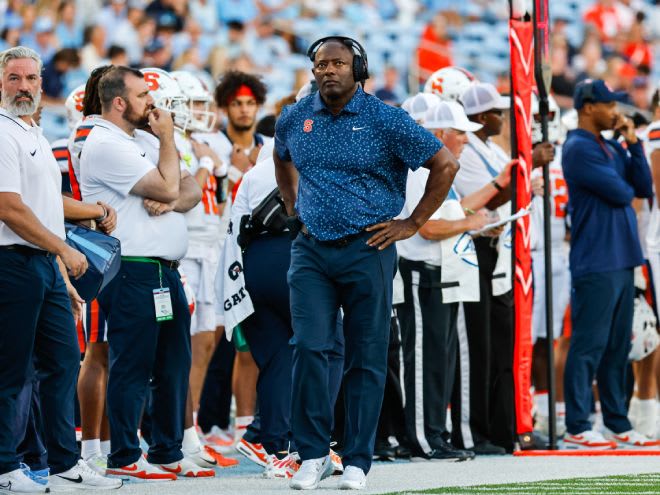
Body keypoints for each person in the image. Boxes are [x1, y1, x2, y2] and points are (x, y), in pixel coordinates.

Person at [274, 36, 458, 490]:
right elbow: (281, 157)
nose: (328, 70)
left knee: (366, 355)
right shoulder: (295, 116)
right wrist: (291, 203)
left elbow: (445, 163)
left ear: (359, 68)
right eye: (320, 64)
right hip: (311, 249)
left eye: (338, 63)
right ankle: (313, 454)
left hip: (369, 248)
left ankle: (357, 458)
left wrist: (412, 222)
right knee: (309, 347)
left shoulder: (386, 118)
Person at [0, 45, 121, 492]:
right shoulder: (3, 133)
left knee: (63, 361)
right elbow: (9, 209)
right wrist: (65, 252)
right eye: (14, 77)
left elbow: (45, 205)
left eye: (31, 78)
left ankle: (61, 462)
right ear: (0, 82)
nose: (25, 86)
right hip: (11, 261)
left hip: (42, 262)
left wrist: (90, 209)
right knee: (11, 370)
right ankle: (5, 468)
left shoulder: (30, 131)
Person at [79, 65, 209, 479]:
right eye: (142, 97)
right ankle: (123, 456)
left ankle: (166, 449)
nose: (152, 105)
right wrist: (168, 142)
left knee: (173, 362)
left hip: (164, 269)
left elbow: (188, 190)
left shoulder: (140, 140)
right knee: (132, 363)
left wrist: (168, 196)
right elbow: (170, 186)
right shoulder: (104, 142)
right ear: (119, 102)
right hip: (133, 268)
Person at [397, 100, 514, 462]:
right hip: (420, 271)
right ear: (437, 134)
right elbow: (428, 227)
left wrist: (499, 183)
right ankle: (421, 438)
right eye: (459, 132)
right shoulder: (418, 170)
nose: (466, 139)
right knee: (423, 359)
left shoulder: (438, 170)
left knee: (441, 359)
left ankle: (435, 432)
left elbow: (459, 207)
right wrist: (470, 224)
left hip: (441, 272)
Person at [562, 79, 657, 449]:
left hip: (622, 257)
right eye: (609, 105)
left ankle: (617, 421)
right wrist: (625, 170)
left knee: (618, 345)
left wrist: (633, 143)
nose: (617, 112)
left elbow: (644, 188)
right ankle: (577, 424)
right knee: (589, 344)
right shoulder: (577, 147)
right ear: (588, 108)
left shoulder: (612, 146)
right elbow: (622, 192)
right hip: (596, 259)